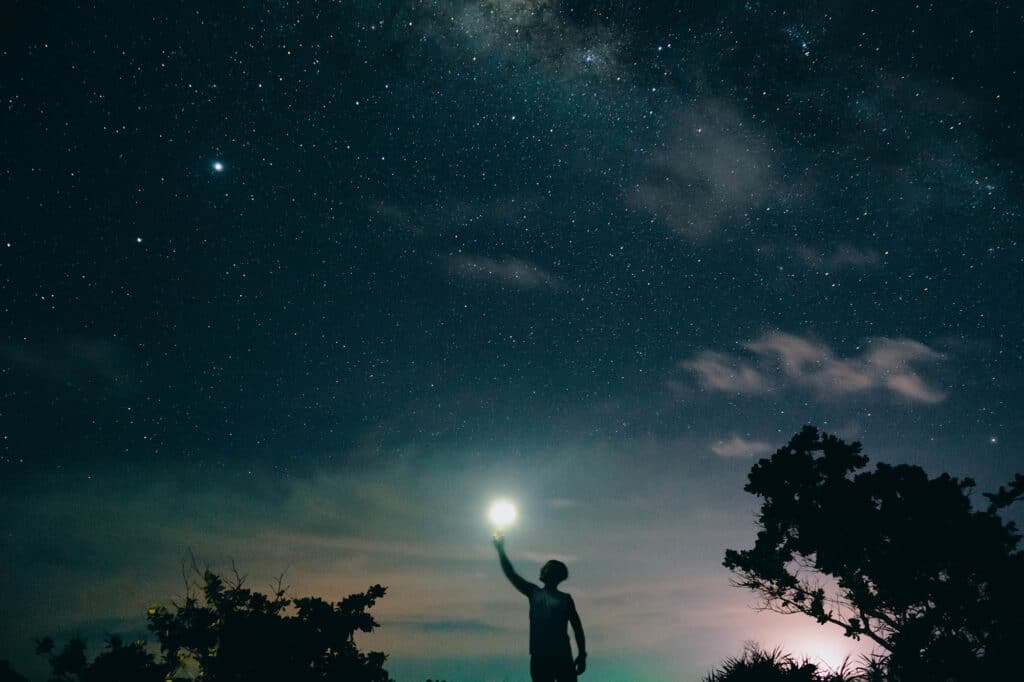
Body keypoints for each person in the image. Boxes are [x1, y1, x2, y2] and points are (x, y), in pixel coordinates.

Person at [493, 535, 587, 681]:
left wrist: (582, 655)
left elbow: (577, 628)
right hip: (540, 657)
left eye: (546, 568)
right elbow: (511, 574)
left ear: (555, 574)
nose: (542, 570)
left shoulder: (564, 599)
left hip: (560, 656)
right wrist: (500, 550)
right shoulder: (534, 593)